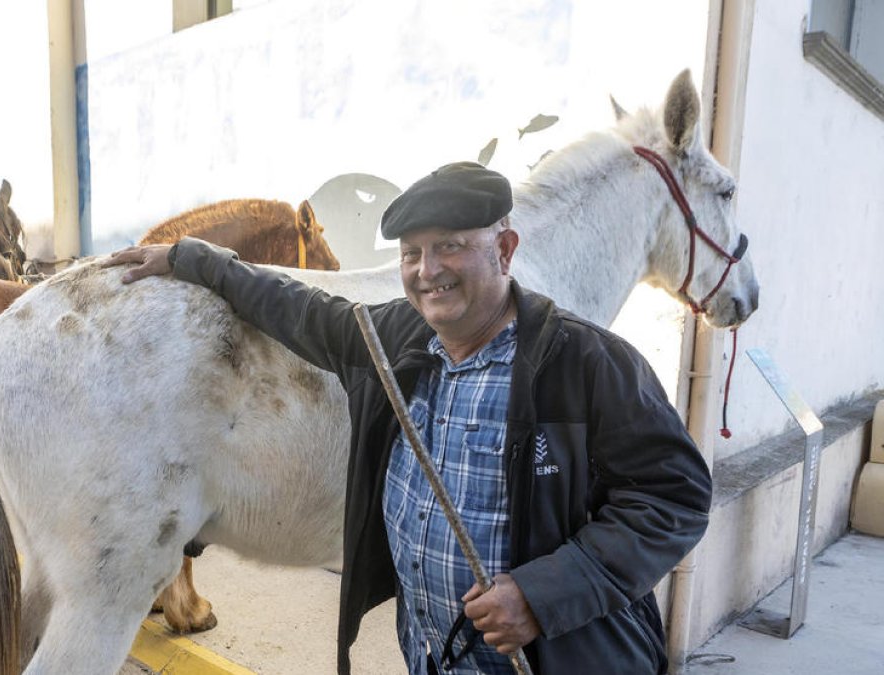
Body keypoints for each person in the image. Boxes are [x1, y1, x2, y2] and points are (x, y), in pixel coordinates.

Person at [102, 162, 711, 674]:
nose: (428, 270)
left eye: (451, 246)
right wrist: (193, 258)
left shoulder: (586, 362)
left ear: (504, 249)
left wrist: (542, 595)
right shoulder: (394, 337)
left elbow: (675, 496)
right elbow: (298, 309)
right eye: (412, 252)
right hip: (431, 657)